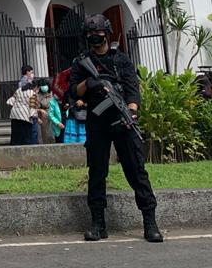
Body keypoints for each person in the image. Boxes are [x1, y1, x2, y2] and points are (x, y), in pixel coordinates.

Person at [69, 15, 163, 243]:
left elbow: (133, 90)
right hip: (97, 122)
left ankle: (149, 222)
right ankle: (98, 223)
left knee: (136, 171)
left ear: (107, 34)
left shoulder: (121, 60)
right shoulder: (82, 62)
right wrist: (90, 83)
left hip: (122, 122)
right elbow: (73, 91)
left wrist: (130, 112)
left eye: (99, 34)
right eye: (91, 34)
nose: (95, 37)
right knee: (97, 172)